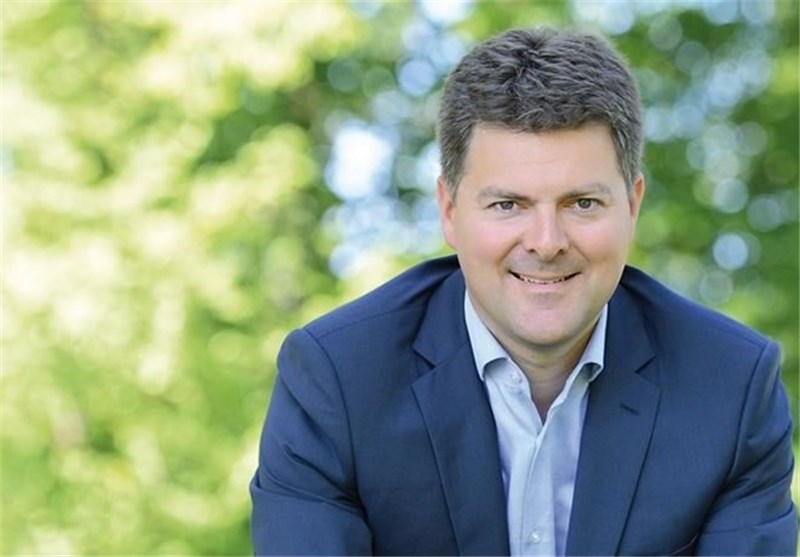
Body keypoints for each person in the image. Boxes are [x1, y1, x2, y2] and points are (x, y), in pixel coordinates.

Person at [249, 27, 797, 555]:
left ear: (632, 206)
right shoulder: (338, 381)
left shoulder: (732, 390)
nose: (546, 242)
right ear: (449, 210)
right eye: (507, 204)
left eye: (582, 203)